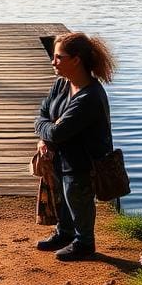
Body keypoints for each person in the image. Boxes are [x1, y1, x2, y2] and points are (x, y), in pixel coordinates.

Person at [34, 32, 115, 261]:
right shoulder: (61, 84)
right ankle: (65, 233)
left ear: (76, 59)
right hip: (61, 157)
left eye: (59, 57)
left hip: (84, 162)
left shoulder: (90, 97)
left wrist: (50, 130)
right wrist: (44, 136)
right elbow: (41, 116)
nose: (53, 61)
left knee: (77, 199)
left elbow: (59, 132)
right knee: (64, 197)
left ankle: (84, 243)